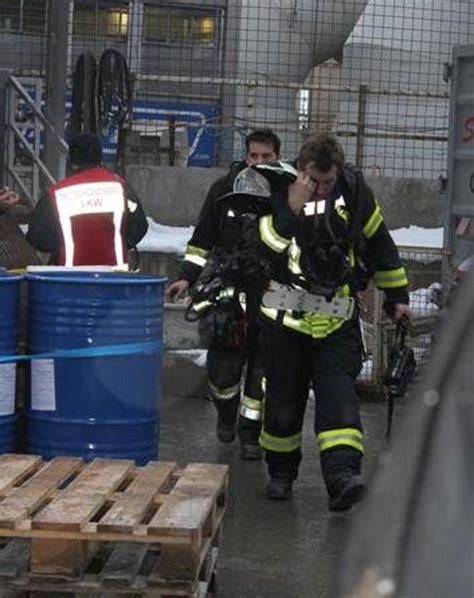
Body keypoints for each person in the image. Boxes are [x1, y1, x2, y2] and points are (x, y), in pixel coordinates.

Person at [256, 133, 413, 509]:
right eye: (315, 180)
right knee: (282, 406)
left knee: (341, 405)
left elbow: (380, 245)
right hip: (286, 322)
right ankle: (280, 474)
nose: (322, 189)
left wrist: (398, 298)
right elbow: (265, 247)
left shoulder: (355, 195)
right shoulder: (280, 192)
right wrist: (290, 209)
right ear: (301, 170)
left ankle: (343, 478)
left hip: (336, 322)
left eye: (328, 181)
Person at [166, 129, 281, 460]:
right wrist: (186, 278)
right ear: (245, 157)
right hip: (227, 297)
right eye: (253, 156)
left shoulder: (286, 193)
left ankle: (250, 435)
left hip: (271, 297)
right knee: (222, 373)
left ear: (277, 157)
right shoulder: (224, 190)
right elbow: (201, 240)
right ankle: (226, 416)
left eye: (266, 157)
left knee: (262, 372)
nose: (259, 163)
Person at [26, 133, 148, 267]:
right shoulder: (122, 189)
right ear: (100, 158)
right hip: (114, 280)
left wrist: (61, 246)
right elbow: (140, 226)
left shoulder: (57, 194)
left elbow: (37, 237)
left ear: (72, 160)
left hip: (69, 280)